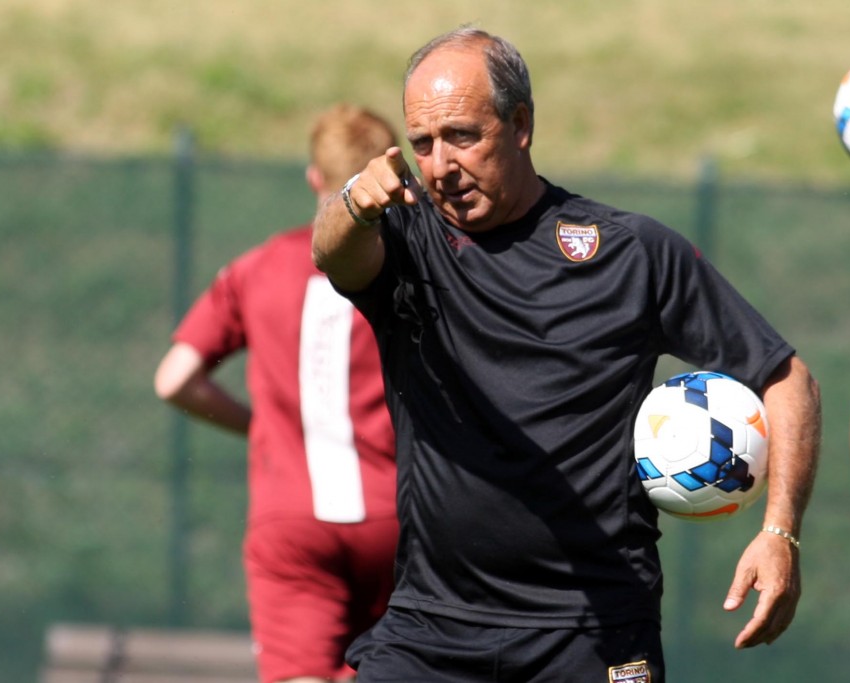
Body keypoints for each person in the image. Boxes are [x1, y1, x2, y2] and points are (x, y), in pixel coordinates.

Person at [311, 27, 821, 682]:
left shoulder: (630, 252)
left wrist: (780, 532)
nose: (439, 164)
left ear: (520, 123)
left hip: (593, 628)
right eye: (423, 143)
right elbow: (332, 251)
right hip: (431, 627)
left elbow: (787, 378)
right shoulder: (406, 238)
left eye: (462, 135)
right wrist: (354, 202)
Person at [153, 104, 400, 683]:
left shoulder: (257, 268)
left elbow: (174, 380)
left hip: (291, 522)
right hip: (397, 520)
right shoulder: (411, 267)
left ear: (313, 178)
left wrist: (259, 423)